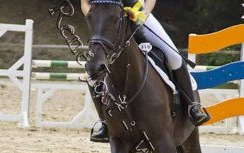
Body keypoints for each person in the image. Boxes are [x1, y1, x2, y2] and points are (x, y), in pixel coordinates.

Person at [81, 0, 210, 142]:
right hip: (106, 21)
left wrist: (143, 13)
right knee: (91, 71)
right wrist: (94, 17)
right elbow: (85, 3)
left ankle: (193, 107)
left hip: (140, 16)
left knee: (173, 56)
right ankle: (104, 123)